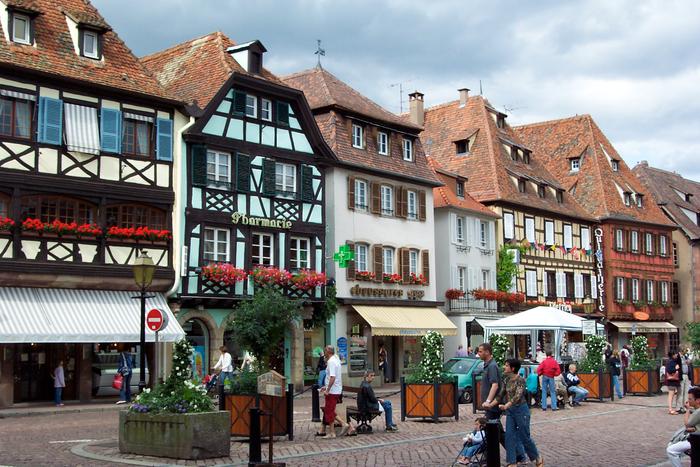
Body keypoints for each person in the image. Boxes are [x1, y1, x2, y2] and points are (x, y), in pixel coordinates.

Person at [498, 359, 544, 467]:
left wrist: (507, 405)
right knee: (509, 436)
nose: (504, 367)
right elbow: (501, 393)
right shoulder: (506, 379)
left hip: (521, 410)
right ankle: (512, 462)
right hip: (510, 412)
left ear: (512, 368)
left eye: (506, 365)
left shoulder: (520, 380)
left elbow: (518, 396)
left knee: (524, 436)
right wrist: (490, 403)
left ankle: (537, 456)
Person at [318, 345, 350, 439]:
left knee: (329, 410)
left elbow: (332, 377)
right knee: (329, 410)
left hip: (333, 391)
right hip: (335, 389)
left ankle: (341, 425)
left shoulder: (331, 361)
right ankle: (333, 432)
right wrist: (326, 386)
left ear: (328, 351)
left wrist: (327, 390)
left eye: (325, 350)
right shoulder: (336, 360)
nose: (324, 352)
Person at [666, 386, 700, 467]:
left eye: (690, 399)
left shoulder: (698, 412)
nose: (688, 401)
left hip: (696, 440)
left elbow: (687, 423)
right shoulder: (696, 410)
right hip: (695, 438)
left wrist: (687, 410)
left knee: (671, 450)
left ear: (698, 400)